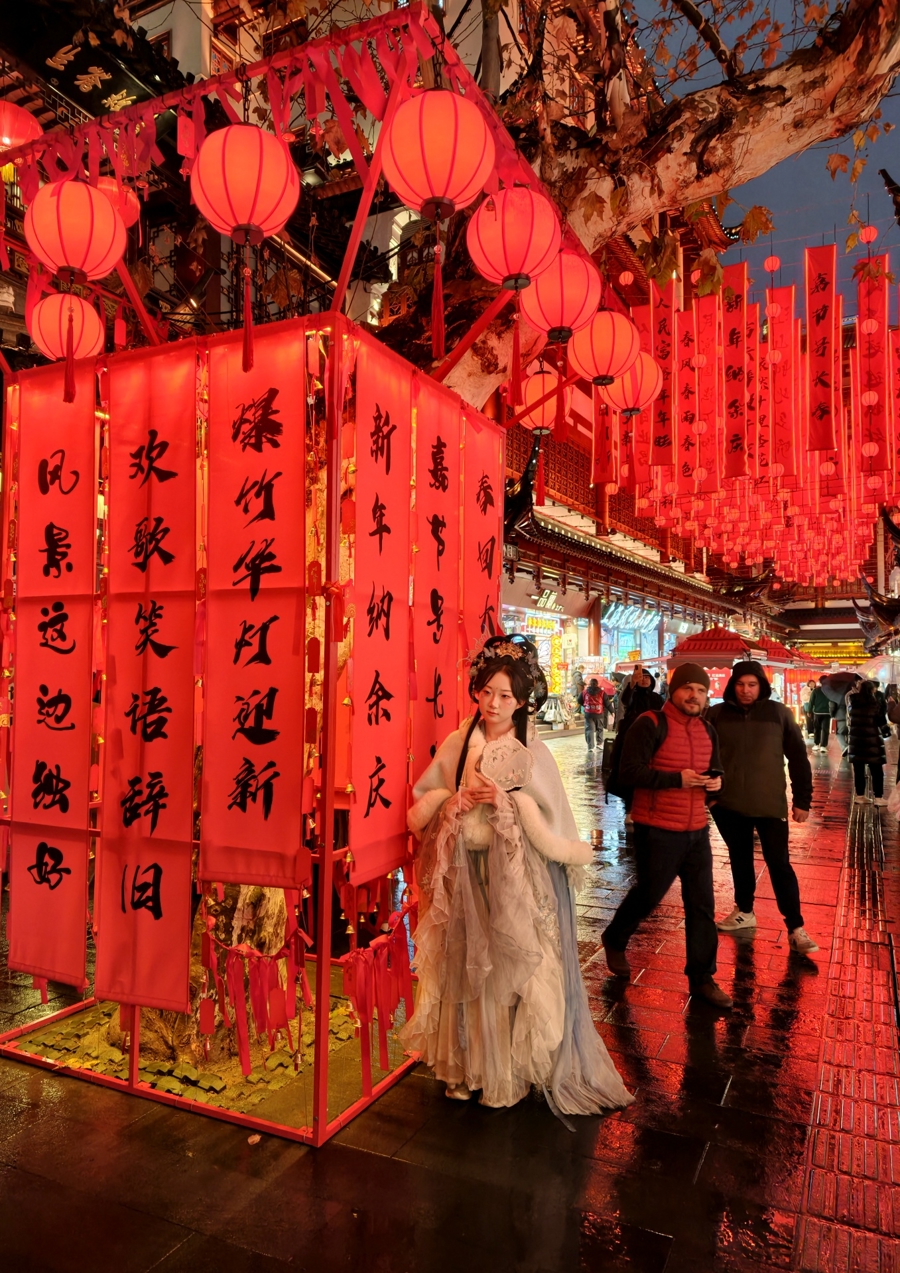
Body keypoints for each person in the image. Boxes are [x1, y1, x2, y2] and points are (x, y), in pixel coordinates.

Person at [401, 633, 633, 1114]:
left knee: (506, 968)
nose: (493, 703)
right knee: (463, 967)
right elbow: (428, 799)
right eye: (486, 692)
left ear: (523, 700)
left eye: (505, 695)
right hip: (466, 873)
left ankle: (503, 1074)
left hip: (513, 876)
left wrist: (509, 805)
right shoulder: (459, 741)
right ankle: (464, 1067)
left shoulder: (532, 749)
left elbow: (550, 817)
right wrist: (453, 802)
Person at [600, 662, 732, 1009]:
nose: (694, 695)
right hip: (657, 827)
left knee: (702, 906)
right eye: (688, 688)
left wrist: (716, 784)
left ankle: (702, 979)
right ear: (674, 691)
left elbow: (715, 772)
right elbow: (628, 773)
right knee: (649, 895)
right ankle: (615, 937)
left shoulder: (708, 730)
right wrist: (677, 779)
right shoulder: (650, 723)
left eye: (701, 690)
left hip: (696, 829)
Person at [706, 661, 818, 955]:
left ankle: (795, 927)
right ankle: (744, 911)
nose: (746, 690)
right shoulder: (716, 714)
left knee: (779, 864)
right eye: (740, 684)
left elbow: (798, 757)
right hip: (728, 805)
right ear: (732, 685)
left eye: (752, 685)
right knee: (739, 858)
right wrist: (711, 799)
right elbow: (703, 755)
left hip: (770, 805)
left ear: (761, 686)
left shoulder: (779, 713)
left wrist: (802, 800)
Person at [606, 664, 664, 823]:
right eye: (641, 677)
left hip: (651, 740)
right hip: (630, 740)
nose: (644, 680)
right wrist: (632, 684)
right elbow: (625, 700)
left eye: (647, 677)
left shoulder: (657, 698)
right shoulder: (632, 695)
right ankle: (629, 809)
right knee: (630, 772)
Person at [846, 678, 887, 805]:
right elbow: (881, 721)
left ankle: (860, 796)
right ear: (871, 690)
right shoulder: (874, 703)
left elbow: (850, 719)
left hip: (856, 740)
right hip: (872, 741)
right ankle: (878, 798)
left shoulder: (853, 702)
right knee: (876, 770)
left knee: (858, 769)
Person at [580, 677, 605, 753]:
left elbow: (579, 700)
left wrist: (585, 705)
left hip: (588, 713)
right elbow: (607, 702)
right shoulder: (602, 692)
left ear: (590, 684)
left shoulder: (584, 692)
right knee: (599, 728)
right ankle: (599, 744)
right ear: (597, 684)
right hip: (599, 713)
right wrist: (612, 711)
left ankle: (590, 746)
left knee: (590, 729)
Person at [809, 677, 832, 752]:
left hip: (817, 712)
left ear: (819, 682)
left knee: (817, 728)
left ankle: (816, 744)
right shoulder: (830, 690)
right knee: (825, 729)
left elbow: (811, 701)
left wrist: (809, 711)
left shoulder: (816, 690)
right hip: (827, 712)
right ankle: (823, 746)